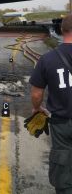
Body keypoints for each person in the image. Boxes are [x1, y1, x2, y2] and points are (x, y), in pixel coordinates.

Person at [29, 14, 72, 194]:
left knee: (63, 163)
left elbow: (37, 93)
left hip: (62, 123)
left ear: (61, 30)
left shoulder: (47, 59)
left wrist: (37, 109)